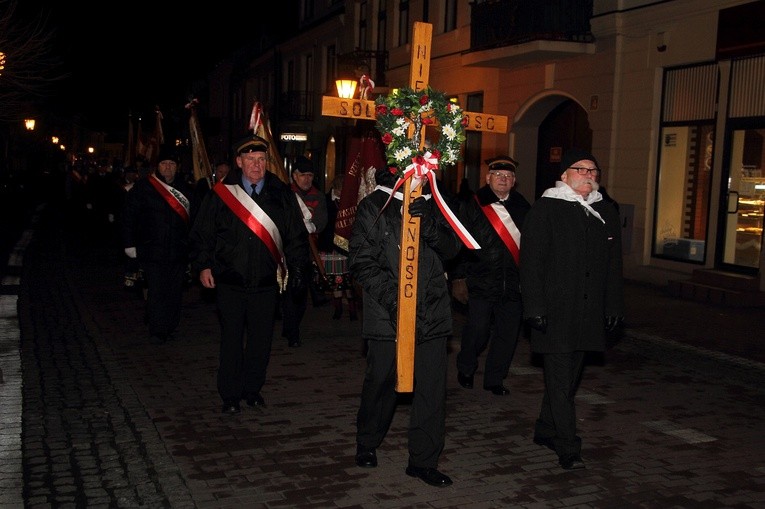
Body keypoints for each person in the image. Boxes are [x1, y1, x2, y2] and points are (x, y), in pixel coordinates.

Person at [350, 168, 462, 488]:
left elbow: (453, 250)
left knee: (431, 388)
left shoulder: (437, 205)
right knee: (382, 380)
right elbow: (362, 260)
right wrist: (397, 299)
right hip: (388, 313)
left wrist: (429, 226)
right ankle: (368, 441)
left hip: (433, 313)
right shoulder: (375, 206)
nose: (422, 176)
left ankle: (423, 460)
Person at [519, 148, 625, 471]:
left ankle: (545, 428)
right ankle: (568, 447)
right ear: (564, 175)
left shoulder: (604, 210)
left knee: (565, 380)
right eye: (581, 170)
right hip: (554, 314)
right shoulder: (545, 208)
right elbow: (531, 263)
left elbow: (613, 266)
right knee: (562, 383)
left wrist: (613, 305)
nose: (589, 176)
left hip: (588, 314)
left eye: (594, 171)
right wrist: (534, 306)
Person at [189, 134, 309, 415]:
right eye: (251, 160)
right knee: (231, 339)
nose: (257, 165)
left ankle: (252, 389)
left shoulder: (281, 193)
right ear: (239, 162)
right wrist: (204, 265)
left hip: (267, 282)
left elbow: (295, 236)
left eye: (262, 159)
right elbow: (202, 233)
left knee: (261, 340)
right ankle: (230, 394)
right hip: (230, 280)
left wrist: (300, 268)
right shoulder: (220, 194)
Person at [450, 156, 530, 396]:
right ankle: (466, 367)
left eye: (508, 176)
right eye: (498, 175)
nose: (503, 180)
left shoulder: (523, 206)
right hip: (481, 280)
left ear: (514, 181)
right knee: (478, 330)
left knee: (507, 335)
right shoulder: (472, 204)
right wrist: (458, 278)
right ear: (488, 178)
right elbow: (459, 244)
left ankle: (495, 378)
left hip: (513, 283)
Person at [122, 147, 194, 344]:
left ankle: (170, 325)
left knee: (174, 291)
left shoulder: (185, 189)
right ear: (157, 167)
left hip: (178, 251)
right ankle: (157, 328)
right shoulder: (144, 187)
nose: (168, 168)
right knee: (156, 290)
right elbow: (129, 217)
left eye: (172, 164)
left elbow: (194, 221)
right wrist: (129, 243)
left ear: (177, 167)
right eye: (164, 164)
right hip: (151, 249)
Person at [281, 156, 329, 347]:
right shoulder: (285, 195)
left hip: (307, 252)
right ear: (294, 175)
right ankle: (289, 328)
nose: (307, 179)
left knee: (299, 293)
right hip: (286, 251)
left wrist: (310, 227)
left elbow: (321, 222)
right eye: (303, 175)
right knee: (287, 292)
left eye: (310, 175)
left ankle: (292, 329)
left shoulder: (318, 196)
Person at [317, 174, 358, 321]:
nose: (342, 193)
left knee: (347, 280)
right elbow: (320, 222)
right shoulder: (326, 200)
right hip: (330, 245)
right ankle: (338, 309)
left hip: (346, 246)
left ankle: (352, 311)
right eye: (340, 189)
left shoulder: (350, 201)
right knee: (335, 281)